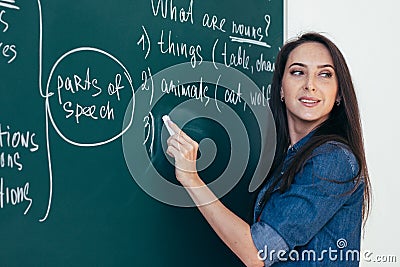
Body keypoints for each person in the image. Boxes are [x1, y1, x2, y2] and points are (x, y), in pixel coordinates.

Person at [165, 32, 371, 266]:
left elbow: (258, 253)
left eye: (324, 74)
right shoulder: (290, 159)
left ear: (338, 95)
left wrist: (191, 178)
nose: (310, 85)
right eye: (297, 72)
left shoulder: (332, 160)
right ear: (281, 89)